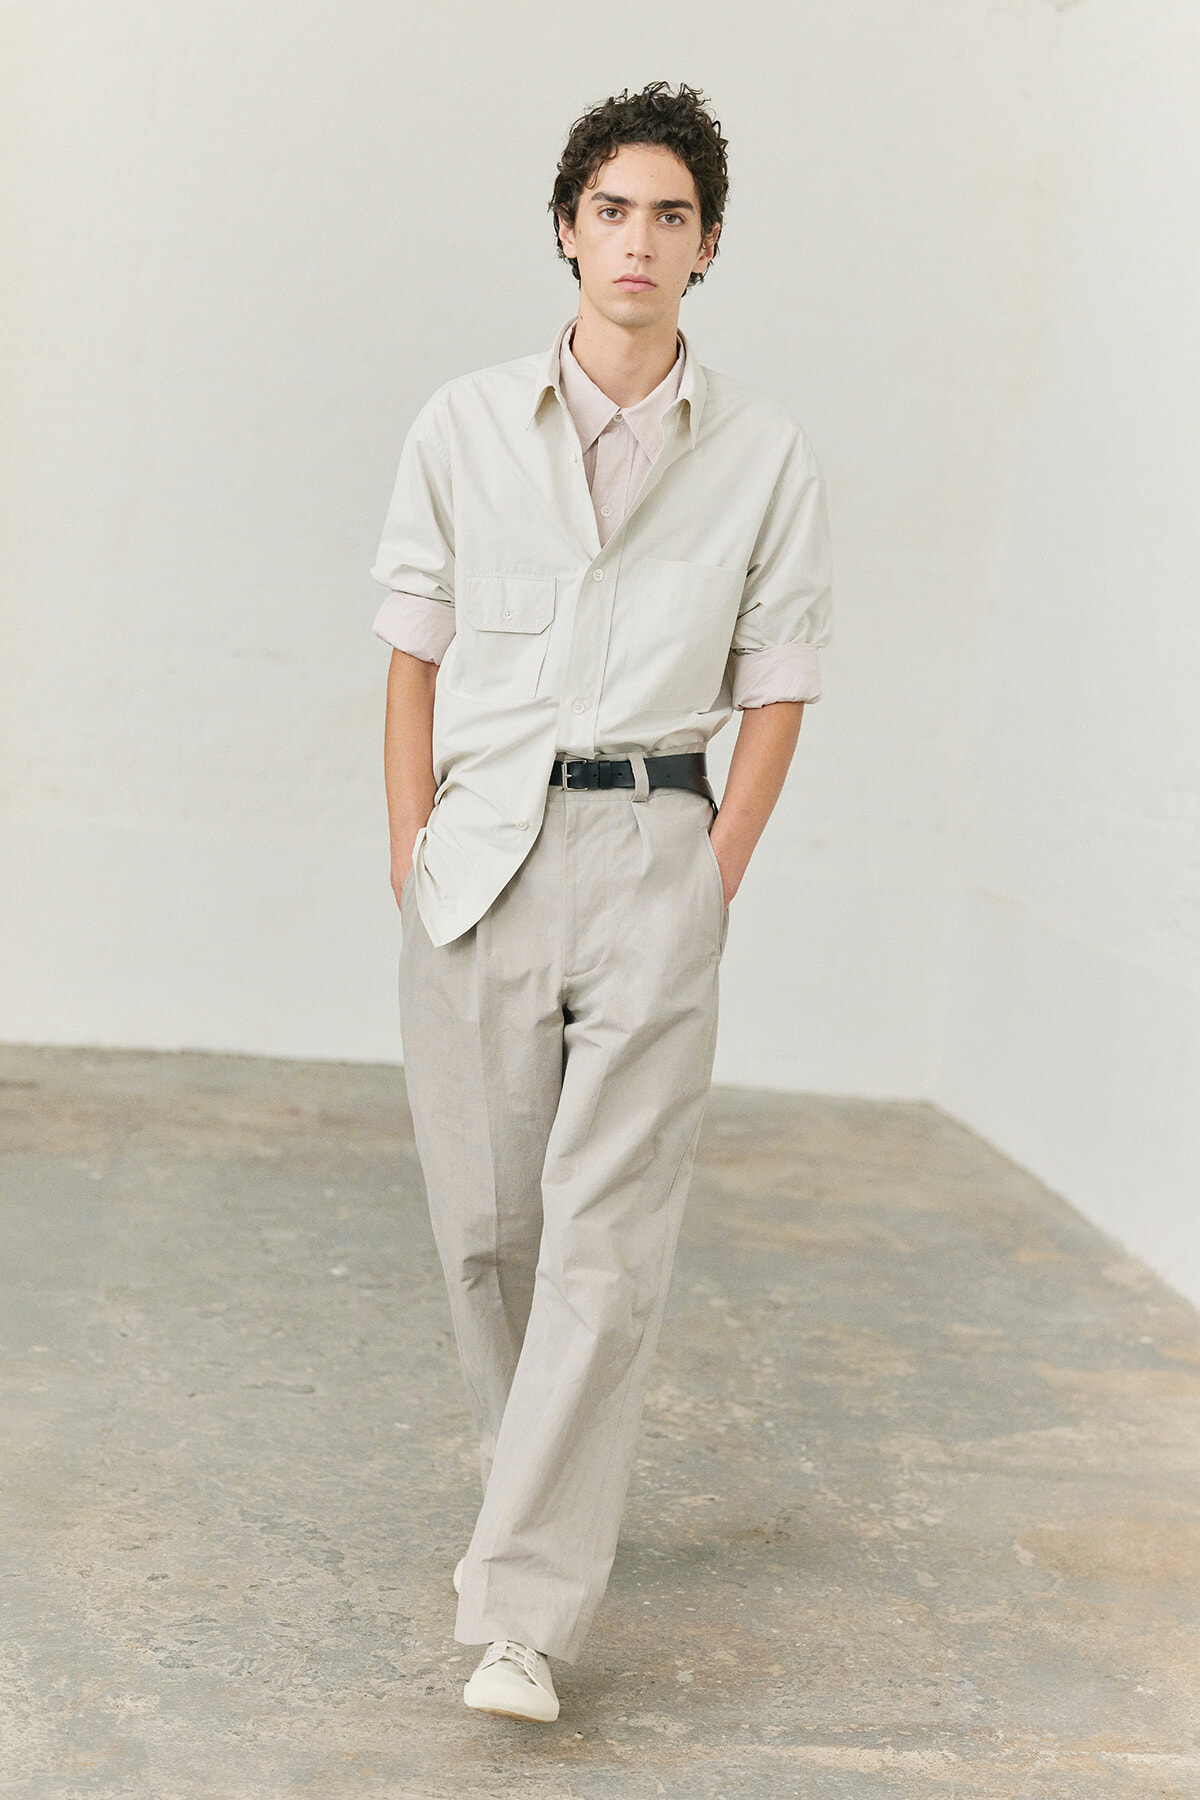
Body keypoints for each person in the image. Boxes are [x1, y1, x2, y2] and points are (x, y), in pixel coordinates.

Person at [371, 79, 832, 1723]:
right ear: (569, 228)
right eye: (614, 209)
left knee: (604, 1244)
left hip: (655, 853)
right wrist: (416, 849)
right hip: (484, 862)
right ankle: (535, 1502)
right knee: (490, 1233)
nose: (640, 241)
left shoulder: (764, 453)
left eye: (674, 217)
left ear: (709, 251)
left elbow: (777, 689)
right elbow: (411, 659)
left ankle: (522, 1618)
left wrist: (711, 879)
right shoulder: (461, 427)